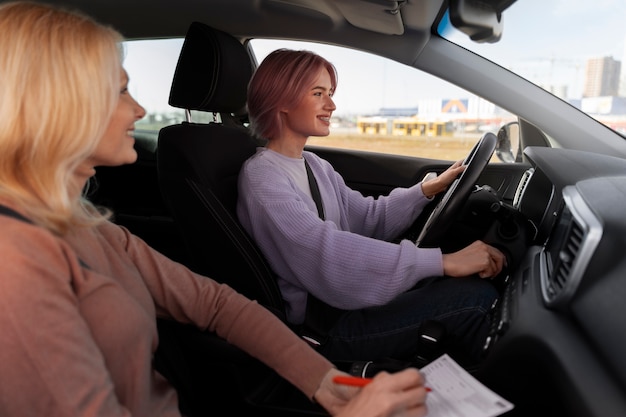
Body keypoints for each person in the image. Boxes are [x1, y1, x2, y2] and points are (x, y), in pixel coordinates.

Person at [0, 2, 430, 417]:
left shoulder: (92, 230)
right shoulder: (16, 265)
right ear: (52, 105)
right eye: (120, 91)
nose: (140, 109)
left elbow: (217, 305)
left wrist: (326, 384)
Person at [237, 48, 507, 368]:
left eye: (331, 93)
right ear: (282, 100)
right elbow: (324, 251)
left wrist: (426, 190)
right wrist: (443, 262)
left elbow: (366, 218)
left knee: (462, 289)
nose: (332, 105)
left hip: (342, 302)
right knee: (475, 299)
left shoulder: (313, 165)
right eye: (318, 93)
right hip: (324, 328)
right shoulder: (262, 177)